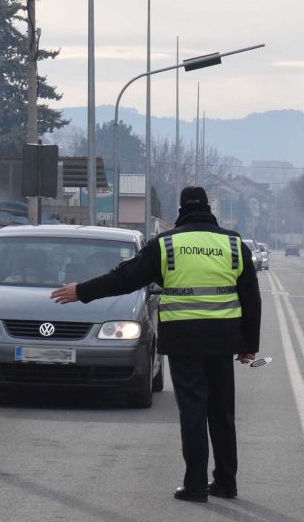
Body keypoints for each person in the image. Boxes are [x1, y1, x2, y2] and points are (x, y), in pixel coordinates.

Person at [50, 186, 261, 503]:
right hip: (222, 339)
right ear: (208, 208)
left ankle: (196, 486)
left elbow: (125, 278)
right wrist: (249, 344)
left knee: (193, 412)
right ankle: (227, 483)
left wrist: (82, 291)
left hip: (184, 340)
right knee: (221, 412)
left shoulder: (166, 244)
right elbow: (251, 298)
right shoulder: (233, 244)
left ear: (181, 209)